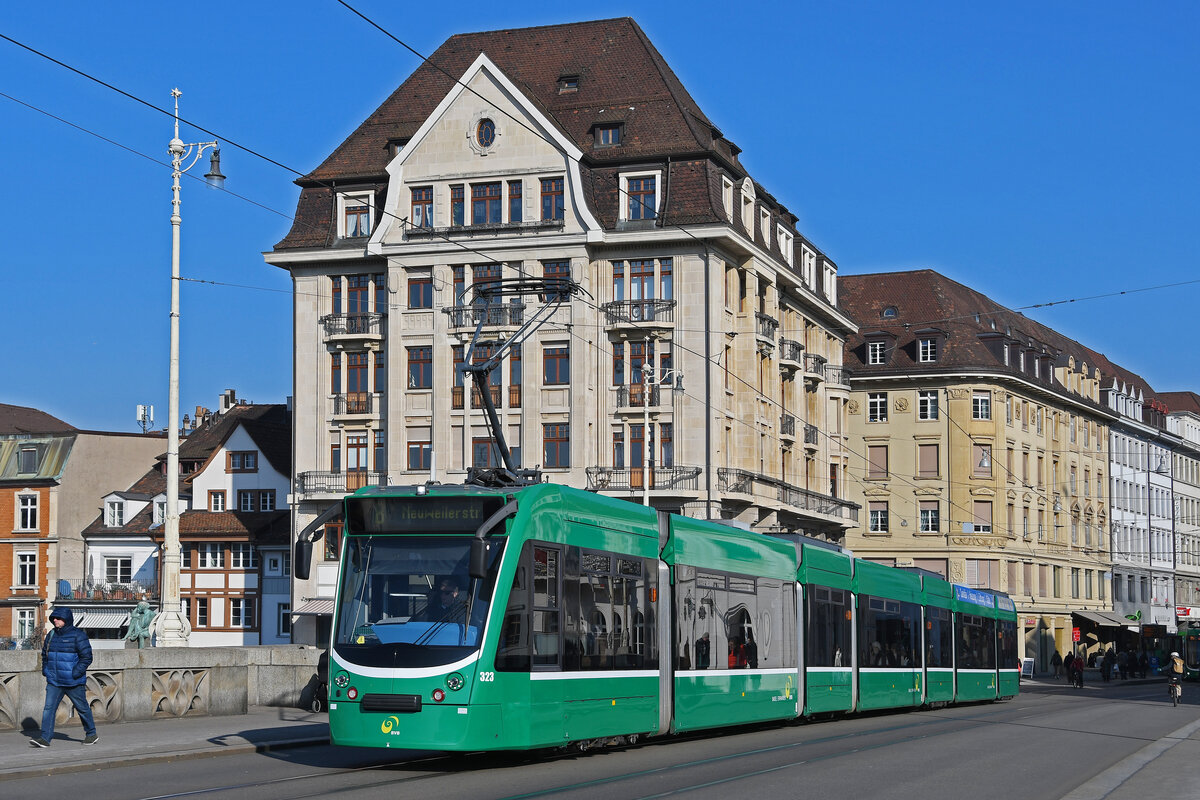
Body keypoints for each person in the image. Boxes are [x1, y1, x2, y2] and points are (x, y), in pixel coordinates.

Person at [30, 607, 97, 747]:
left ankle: (91, 734)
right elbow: (45, 655)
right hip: (54, 681)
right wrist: (46, 670)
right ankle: (45, 738)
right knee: (49, 708)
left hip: (73, 681)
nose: (55, 620)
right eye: (54, 618)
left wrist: (75, 673)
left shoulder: (78, 635)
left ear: (66, 620)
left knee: (82, 708)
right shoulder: (51, 635)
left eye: (58, 618)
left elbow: (87, 657)